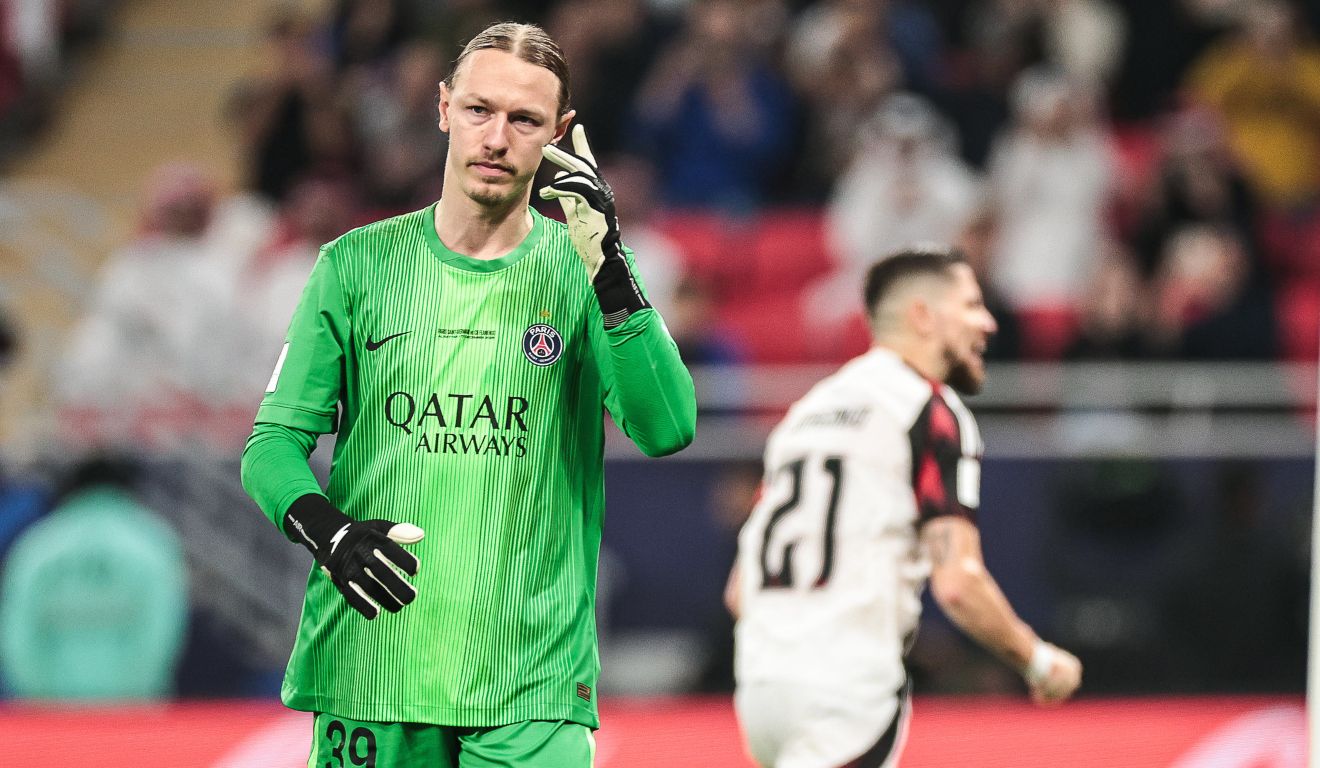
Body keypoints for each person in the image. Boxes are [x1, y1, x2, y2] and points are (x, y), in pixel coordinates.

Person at [239, 22, 696, 767]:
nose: (497, 137)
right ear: (444, 107)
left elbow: (667, 428)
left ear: (561, 134)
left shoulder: (585, 272)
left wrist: (608, 266)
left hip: (530, 687)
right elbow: (271, 448)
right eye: (481, 110)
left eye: (525, 120)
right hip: (373, 667)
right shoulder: (355, 266)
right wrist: (329, 531)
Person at [727, 247, 1081, 768]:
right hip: (847, 690)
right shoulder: (927, 408)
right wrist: (1038, 660)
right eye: (971, 305)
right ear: (923, 315)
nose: (988, 323)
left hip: (761, 689)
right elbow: (958, 583)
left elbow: (740, 591)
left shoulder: (806, 413)